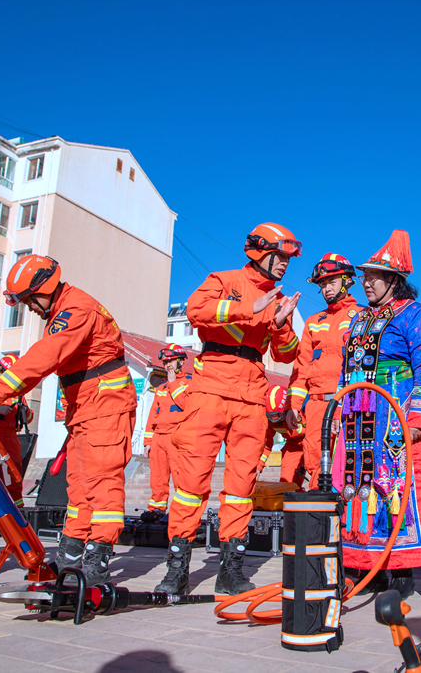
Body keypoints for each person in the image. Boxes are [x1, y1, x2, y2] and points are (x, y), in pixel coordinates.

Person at [0, 255, 136, 586]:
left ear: (44, 289)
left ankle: (96, 563)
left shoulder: (76, 309)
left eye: (29, 301)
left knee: (101, 484)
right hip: (88, 407)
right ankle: (70, 559)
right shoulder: (64, 309)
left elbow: (45, 357)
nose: (30, 308)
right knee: (79, 487)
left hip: (105, 406)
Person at [155, 223, 301, 597]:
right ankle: (177, 568)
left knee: (241, 486)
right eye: (279, 257)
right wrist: (249, 307)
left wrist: (280, 324)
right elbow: (196, 310)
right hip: (211, 387)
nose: (284, 265)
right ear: (258, 251)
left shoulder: (279, 299)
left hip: (251, 392)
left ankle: (230, 570)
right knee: (191, 480)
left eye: (287, 259)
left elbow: (286, 354)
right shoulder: (224, 280)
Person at [336, 229, 421, 599]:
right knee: (357, 483)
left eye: (374, 277)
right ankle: (365, 565)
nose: (366, 283)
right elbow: (346, 366)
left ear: (395, 280)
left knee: (394, 483)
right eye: (364, 276)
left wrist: (418, 417)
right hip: (355, 415)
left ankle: (401, 570)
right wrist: (338, 410)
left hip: (393, 411)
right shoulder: (359, 318)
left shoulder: (413, 313)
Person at [283, 253, 362, 488]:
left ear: (347, 281)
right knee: (315, 463)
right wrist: (293, 406)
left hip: (348, 403)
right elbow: (301, 367)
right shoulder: (313, 321)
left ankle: (347, 512)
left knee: (349, 463)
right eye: (323, 284)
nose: (326, 289)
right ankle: (319, 509)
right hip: (316, 406)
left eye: (332, 282)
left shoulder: (362, 316)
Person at [141, 343, 190, 523]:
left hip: (175, 436)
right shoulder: (161, 388)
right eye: (165, 362)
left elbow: (186, 405)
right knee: (157, 477)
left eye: (171, 361)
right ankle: (156, 510)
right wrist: (148, 442)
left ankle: (181, 512)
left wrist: (173, 382)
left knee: (179, 475)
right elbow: (152, 415)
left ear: (181, 362)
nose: (167, 365)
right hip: (158, 437)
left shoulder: (189, 383)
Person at [0, 354, 35, 507]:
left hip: (11, 436)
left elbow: (29, 418)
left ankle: (17, 508)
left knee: (14, 473)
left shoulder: (18, 394)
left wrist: (25, 411)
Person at [257, 384, 306, 475]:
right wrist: (258, 467)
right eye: (270, 416)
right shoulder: (270, 421)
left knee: (317, 474)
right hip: (293, 444)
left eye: (277, 415)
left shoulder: (302, 408)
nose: (274, 419)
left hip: (312, 441)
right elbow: (266, 444)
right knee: (287, 477)